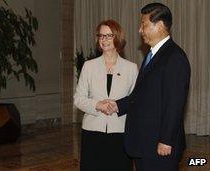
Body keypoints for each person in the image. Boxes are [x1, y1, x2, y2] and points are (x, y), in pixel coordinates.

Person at [107, 3, 191, 171]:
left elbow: (174, 103)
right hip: (146, 142)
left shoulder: (174, 57)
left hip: (159, 146)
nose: (140, 30)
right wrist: (116, 105)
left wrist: (166, 140)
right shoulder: (152, 56)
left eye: (143, 24)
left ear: (159, 25)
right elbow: (142, 95)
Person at [74, 19, 138, 171]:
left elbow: (135, 100)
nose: (104, 40)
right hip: (92, 132)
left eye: (108, 36)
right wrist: (97, 105)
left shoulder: (131, 68)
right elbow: (78, 98)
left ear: (117, 37)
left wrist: (117, 106)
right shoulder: (88, 66)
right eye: (101, 36)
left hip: (120, 133)